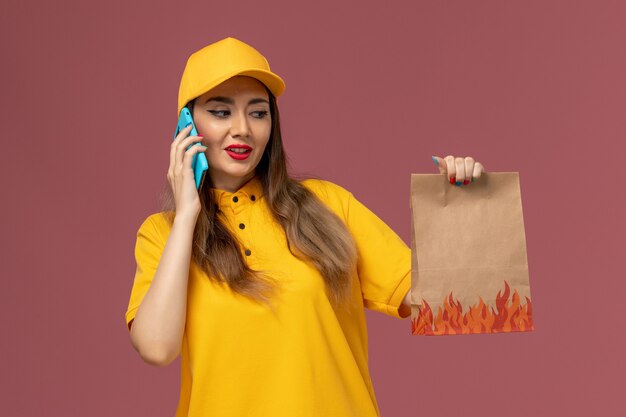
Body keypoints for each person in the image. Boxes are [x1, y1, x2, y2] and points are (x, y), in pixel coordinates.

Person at [124, 37, 485, 417]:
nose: (242, 129)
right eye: (220, 111)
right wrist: (186, 217)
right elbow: (156, 348)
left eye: (258, 112)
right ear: (186, 125)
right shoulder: (162, 234)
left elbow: (447, 303)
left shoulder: (327, 205)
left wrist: (463, 209)